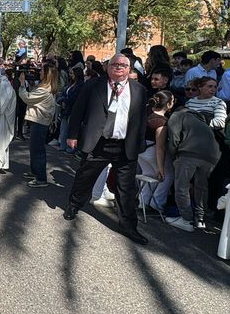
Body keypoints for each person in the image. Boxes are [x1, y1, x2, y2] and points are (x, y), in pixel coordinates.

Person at [64, 54, 149, 245]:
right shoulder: (93, 86)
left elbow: (141, 119)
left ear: (129, 69)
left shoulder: (139, 89)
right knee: (85, 176)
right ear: (107, 67)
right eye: (114, 64)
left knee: (126, 189)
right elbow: (78, 110)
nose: (118, 67)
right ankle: (74, 204)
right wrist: (73, 134)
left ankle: (129, 227)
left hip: (125, 145)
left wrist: (140, 141)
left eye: (123, 65)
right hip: (98, 142)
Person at [165, 103, 221, 232]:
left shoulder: (178, 115)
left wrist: (173, 154)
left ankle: (186, 219)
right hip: (211, 157)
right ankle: (200, 219)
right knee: (201, 187)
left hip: (189, 154)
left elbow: (174, 136)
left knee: (182, 187)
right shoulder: (200, 121)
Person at [19, 61, 58, 188]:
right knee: (35, 148)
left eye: (42, 71)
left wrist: (21, 85)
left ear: (47, 74)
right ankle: (34, 171)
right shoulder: (46, 88)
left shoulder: (44, 90)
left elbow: (27, 98)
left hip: (40, 122)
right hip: (40, 121)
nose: (39, 72)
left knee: (38, 150)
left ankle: (41, 178)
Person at [137, 91, 174, 213]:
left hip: (140, 151)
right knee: (166, 176)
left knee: (149, 174)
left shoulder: (146, 113)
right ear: (168, 104)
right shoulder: (161, 122)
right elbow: (160, 147)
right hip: (152, 151)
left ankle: (143, 203)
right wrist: (161, 168)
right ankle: (156, 204)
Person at [56, 67, 85, 153]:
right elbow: (64, 94)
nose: (70, 75)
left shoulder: (80, 85)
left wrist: (65, 100)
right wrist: (62, 101)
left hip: (72, 109)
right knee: (63, 128)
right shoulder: (70, 84)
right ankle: (63, 145)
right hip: (65, 109)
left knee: (70, 129)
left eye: (72, 74)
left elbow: (74, 97)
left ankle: (71, 148)